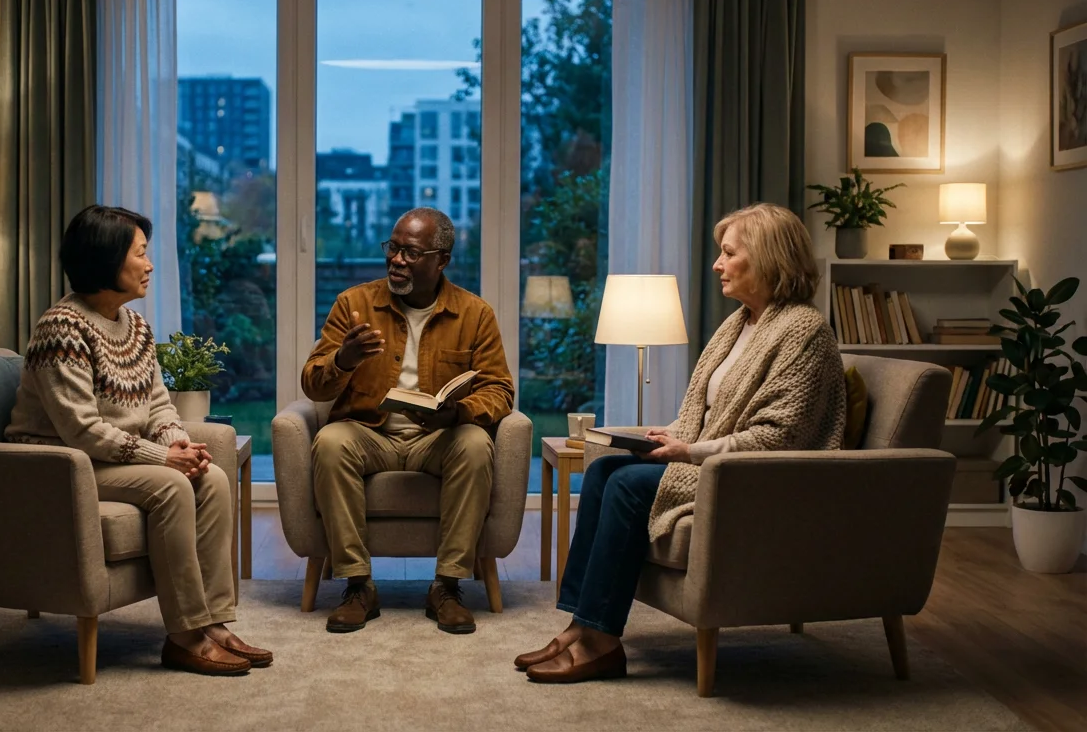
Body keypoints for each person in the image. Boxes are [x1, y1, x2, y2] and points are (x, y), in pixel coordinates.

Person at [515, 202, 846, 683]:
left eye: (728, 253)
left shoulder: (804, 331)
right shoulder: (741, 323)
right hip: (716, 462)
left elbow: (778, 437)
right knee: (603, 469)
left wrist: (688, 451)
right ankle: (581, 623)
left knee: (627, 486)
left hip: (760, 480)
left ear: (768, 258)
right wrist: (675, 434)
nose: (716, 264)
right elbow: (710, 412)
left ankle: (601, 642)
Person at [5, 205, 272, 676]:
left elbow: (158, 406)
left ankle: (212, 622)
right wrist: (162, 458)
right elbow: (82, 430)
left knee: (211, 478)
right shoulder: (61, 328)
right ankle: (185, 636)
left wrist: (179, 445)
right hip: (57, 463)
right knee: (171, 486)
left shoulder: (136, 326)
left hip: (109, 460)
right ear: (107, 259)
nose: (149, 265)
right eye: (140, 254)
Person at [302, 207, 515, 635]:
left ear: (442, 260)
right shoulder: (354, 304)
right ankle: (358, 586)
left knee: (476, 444)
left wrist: (460, 412)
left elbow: (500, 390)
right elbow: (313, 384)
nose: (397, 260)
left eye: (411, 253)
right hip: (369, 434)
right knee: (330, 441)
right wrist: (343, 359)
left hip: (437, 438)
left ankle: (447, 587)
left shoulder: (475, 314)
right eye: (393, 248)